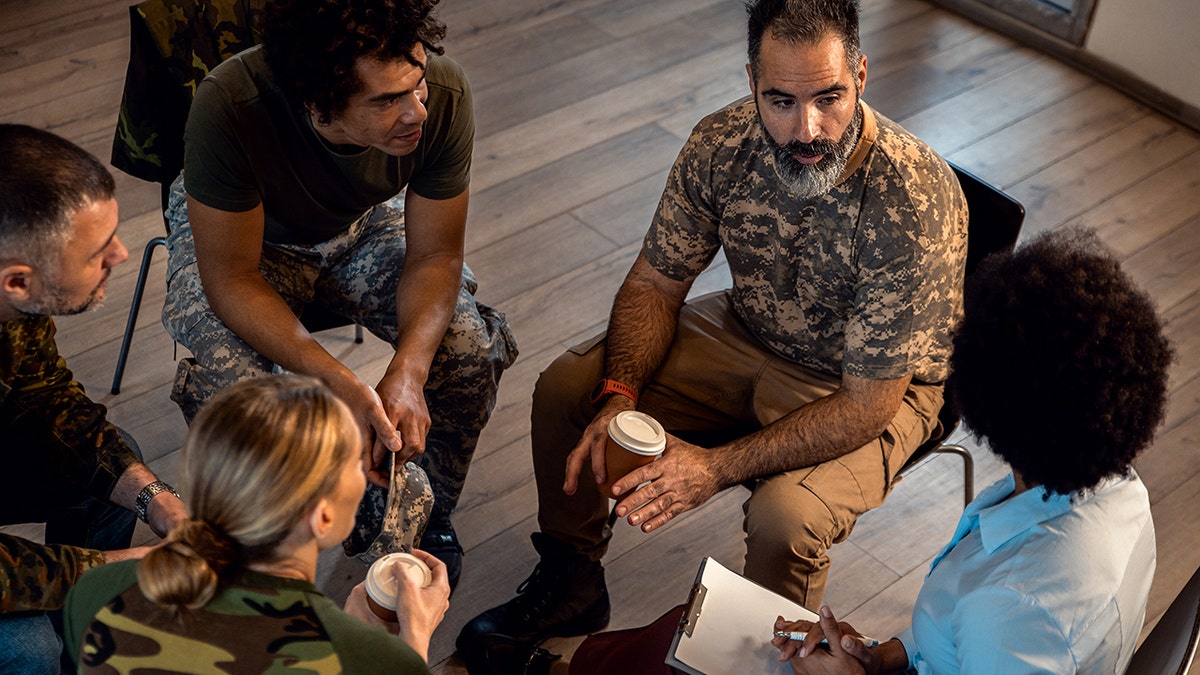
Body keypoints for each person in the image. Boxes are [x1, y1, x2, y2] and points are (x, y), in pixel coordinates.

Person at [459, 0, 968, 663]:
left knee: (786, 519)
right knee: (569, 388)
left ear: (862, 76)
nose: (807, 129)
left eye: (829, 98)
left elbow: (865, 407)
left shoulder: (912, 201)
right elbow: (654, 283)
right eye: (780, 100)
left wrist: (715, 467)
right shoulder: (721, 143)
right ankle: (570, 577)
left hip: (871, 387)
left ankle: (759, 661)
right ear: (752, 79)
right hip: (748, 328)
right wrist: (618, 395)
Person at [471, 226, 1172, 675]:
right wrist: (885, 657)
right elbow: (959, 647)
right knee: (693, 633)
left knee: (683, 648)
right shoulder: (1115, 492)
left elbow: (994, 634)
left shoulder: (1017, 609)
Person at [160, 0, 518, 586]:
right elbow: (232, 279)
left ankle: (420, 511)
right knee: (235, 389)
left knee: (466, 351)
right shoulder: (231, 104)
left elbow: (436, 256)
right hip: (249, 239)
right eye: (387, 101)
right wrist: (339, 382)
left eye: (418, 85)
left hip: (362, 221)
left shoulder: (444, 94)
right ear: (317, 103)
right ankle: (262, 543)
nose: (417, 111)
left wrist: (408, 372)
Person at [64, 375, 452, 672]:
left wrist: (344, 631)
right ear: (322, 516)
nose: (365, 470)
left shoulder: (94, 589)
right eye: (355, 460)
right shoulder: (378, 661)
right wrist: (414, 642)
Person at [0, 123, 189, 674]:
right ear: (18, 280)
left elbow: (49, 398)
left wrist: (156, 499)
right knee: (28, 649)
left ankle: (79, 645)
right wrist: (122, 567)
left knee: (111, 471)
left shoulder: (15, 305)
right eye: (97, 251)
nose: (122, 253)